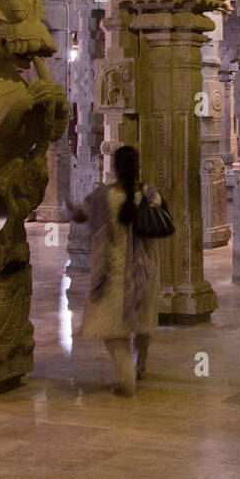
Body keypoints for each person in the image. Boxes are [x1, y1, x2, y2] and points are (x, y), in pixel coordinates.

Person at [72, 145, 161, 397]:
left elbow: (82, 214)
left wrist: (70, 209)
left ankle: (127, 378)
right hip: (145, 272)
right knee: (142, 322)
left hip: (112, 273)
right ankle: (140, 366)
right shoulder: (150, 194)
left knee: (113, 330)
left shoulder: (102, 197)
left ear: (114, 167)